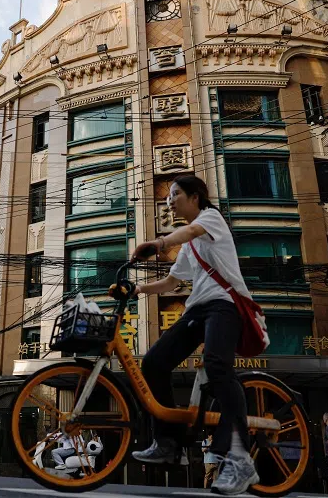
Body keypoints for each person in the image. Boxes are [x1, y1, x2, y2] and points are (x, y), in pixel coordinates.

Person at [129, 175, 259, 496]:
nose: (170, 200)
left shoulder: (211, 219)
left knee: (217, 368)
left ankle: (239, 458)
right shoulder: (189, 243)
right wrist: (137, 287)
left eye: (175, 194)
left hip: (225, 306)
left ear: (195, 197)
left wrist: (159, 243)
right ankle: (168, 443)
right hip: (197, 311)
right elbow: (172, 283)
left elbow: (188, 231)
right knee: (154, 363)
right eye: (168, 197)